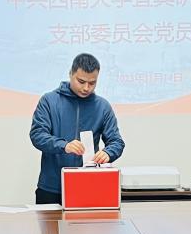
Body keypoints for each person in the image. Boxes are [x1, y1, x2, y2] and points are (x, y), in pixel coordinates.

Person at [29, 53, 125, 205]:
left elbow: (117, 142)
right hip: (51, 188)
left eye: (92, 83)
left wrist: (108, 153)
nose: (86, 88)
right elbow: (37, 135)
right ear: (70, 74)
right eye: (81, 81)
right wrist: (64, 145)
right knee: (49, 222)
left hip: (88, 185)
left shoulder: (102, 106)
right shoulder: (49, 101)